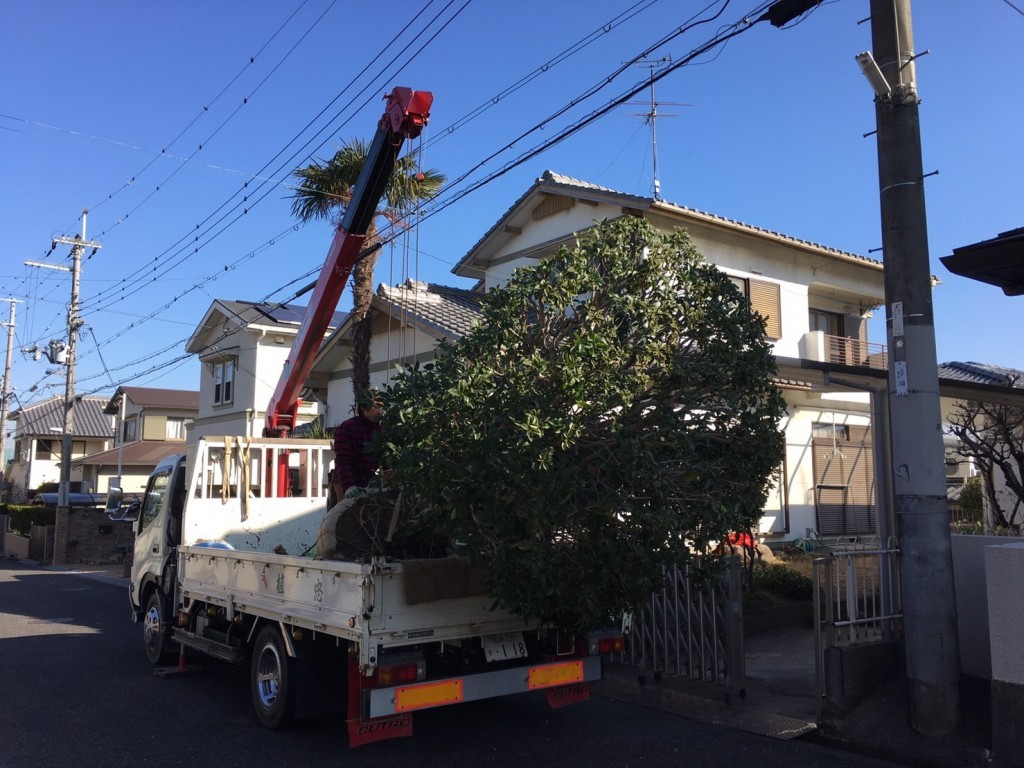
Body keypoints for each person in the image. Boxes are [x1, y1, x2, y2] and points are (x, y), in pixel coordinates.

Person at [330, 391, 384, 504]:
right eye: (376, 407)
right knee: (341, 514)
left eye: (382, 407)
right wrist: (349, 486)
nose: (380, 411)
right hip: (345, 481)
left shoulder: (381, 429)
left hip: (369, 479)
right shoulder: (348, 428)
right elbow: (343, 460)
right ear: (364, 408)